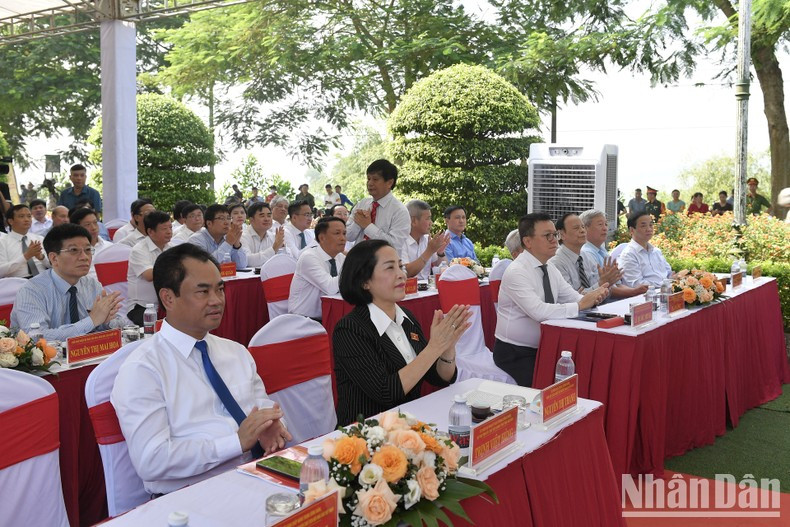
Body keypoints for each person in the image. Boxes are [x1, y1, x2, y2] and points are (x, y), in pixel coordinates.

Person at [112, 243, 291, 495]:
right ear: (168, 298)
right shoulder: (143, 369)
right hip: (190, 494)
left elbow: (261, 407)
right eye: (202, 292)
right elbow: (151, 460)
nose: (217, 300)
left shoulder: (236, 352)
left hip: (257, 476)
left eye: (220, 289)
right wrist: (236, 443)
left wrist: (270, 425)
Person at [332, 239, 470, 425]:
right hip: (367, 435)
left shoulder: (407, 318)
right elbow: (386, 392)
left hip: (408, 425)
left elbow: (438, 377)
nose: (402, 275)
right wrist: (434, 347)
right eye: (390, 268)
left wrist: (447, 348)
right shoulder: (350, 329)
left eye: (400, 266)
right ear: (365, 282)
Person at [493, 213, 608, 387]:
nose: (554, 240)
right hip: (516, 352)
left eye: (555, 235)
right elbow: (539, 312)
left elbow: (573, 297)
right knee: (548, 392)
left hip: (548, 346)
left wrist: (594, 297)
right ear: (528, 241)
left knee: (587, 373)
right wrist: (580, 305)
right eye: (548, 236)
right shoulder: (516, 271)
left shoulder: (550, 267)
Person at [10, 224, 123, 341]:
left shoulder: (92, 284)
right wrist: (91, 321)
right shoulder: (31, 291)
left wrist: (107, 322)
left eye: (88, 250)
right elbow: (37, 338)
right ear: (54, 258)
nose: (84, 257)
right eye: (74, 250)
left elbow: (117, 323)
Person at [579, 209, 649, 299]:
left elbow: (617, 285)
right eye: (600, 224)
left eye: (606, 224)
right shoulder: (585, 253)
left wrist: (635, 291)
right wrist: (633, 292)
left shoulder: (602, 251)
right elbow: (604, 287)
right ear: (585, 228)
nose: (605, 228)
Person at [345, 159, 411, 254]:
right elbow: (348, 236)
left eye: (375, 179)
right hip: (358, 262)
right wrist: (358, 222)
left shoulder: (400, 211)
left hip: (383, 265)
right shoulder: (362, 204)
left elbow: (394, 245)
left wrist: (368, 226)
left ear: (389, 183)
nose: (370, 183)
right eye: (368, 179)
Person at [288, 217, 347, 319]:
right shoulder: (309, 257)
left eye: (344, 233)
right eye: (337, 233)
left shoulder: (340, 257)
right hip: (303, 320)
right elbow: (330, 288)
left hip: (329, 316)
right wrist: (354, 268)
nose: (343, 238)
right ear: (322, 238)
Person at [549, 213, 622, 294]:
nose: (582, 231)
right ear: (561, 235)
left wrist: (607, 282)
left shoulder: (586, 256)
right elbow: (571, 298)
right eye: (576, 228)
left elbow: (597, 288)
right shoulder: (556, 263)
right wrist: (602, 284)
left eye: (583, 227)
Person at [126, 211, 173, 325]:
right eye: (164, 229)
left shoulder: (171, 248)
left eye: (170, 227)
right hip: (142, 307)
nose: (169, 232)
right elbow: (149, 275)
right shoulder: (139, 250)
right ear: (151, 232)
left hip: (167, 305)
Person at [618, 212, 674, 288]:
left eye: (651, 225)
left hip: (666, 292)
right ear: (631, 230)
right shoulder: (628, 255)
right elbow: (637, 284)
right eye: (643, 226)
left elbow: (669, 273)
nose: (649, 229)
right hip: (646, 297)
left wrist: (677, 277)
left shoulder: (656, 252)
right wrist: (665, 284)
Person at [187, 204, 248, 269]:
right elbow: (204, 265)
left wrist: (237, 245)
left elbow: (242, 265)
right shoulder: (196, 240)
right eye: (221, 218)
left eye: (228, 218)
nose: (227, 222)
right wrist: (228, 243)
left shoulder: (227, 238)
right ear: (209, 223)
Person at [401, 200, 449, 280]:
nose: (431, 223)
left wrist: (440, 253)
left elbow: (439, 266)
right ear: (413, 221)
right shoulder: (400, 241)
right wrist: (429, 251)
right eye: (428, 219)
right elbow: (406, 272)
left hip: (428, 289)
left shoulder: (427, 239)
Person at [0, 204, 48, 278]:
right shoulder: (2, 242)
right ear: (10, 221)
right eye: (21, 216)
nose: (27, 219)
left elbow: (52, 265)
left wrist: (41, 257)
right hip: (17, 282)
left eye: (29, 216)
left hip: (43, 277)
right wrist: (26, 256)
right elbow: (1, 271)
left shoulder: (39, 239)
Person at [70, 207, 112, 280]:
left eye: (95, 223)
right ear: (77, 227)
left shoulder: (110, 247)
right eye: (88, 224)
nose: (93, 228)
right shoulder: (71, 251)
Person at [241, 202, 285, 267]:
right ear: (251, 220)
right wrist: (274, 248)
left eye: (269, 216)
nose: (266, 219)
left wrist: (281, 247)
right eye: (262, 216)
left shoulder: (273, 236)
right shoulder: (243, 236)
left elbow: (281, 260)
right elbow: (247, 260)